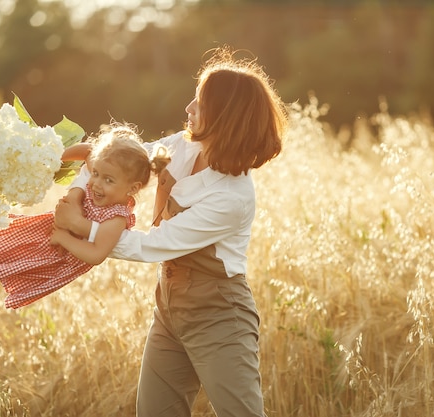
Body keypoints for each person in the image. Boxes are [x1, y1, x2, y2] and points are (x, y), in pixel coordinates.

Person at [54, 46, 288, 417]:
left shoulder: (232, 197)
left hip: (220, 316)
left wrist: (80, 226)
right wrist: (75, 193)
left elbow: (153, 245)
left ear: (224, 117)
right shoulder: (178, 147)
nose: (188, 109)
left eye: (198, 103)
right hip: (169, 308)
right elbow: (110, 159)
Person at [0, 123, 170, 309]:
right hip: (40, 231)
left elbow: (96, 254)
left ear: (132, 188)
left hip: (48, 255)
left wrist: (64, 239)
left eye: (108, 180)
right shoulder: (103, 170)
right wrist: (55, 158)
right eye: (96, 174)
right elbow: (88, 151)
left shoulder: (117, 218)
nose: (97, 183)